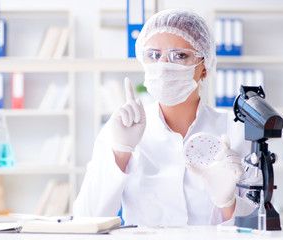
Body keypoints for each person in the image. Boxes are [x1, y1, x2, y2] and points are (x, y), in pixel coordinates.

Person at [73, 8, 261, 226]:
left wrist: (228, 203)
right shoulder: (121, 131)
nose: (163, 65)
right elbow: (85, 219)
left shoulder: (238, 131)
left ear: (205, 68)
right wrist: (120, 153)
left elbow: (264, 226)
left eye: (180, 55)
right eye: (153, 55)